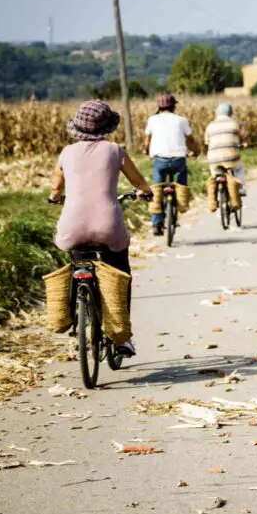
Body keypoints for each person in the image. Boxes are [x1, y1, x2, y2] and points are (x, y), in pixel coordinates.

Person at [49, 100, 155, 358]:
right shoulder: (115, 150)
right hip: (108, 227)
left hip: (71, 229)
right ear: (106, 127)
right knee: (121, 272)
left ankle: (77, 312)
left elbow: (56, 187)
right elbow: (138, 181)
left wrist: (55, 197)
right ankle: (121, 337)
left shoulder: (66, 153)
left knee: (76, 257)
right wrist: (146, 192)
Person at [144, 93, 199, 235]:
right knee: (181, 183)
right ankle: (180, 204)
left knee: (156, 190)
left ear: (159, 107)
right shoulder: (181, 120)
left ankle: (156, 223)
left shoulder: (152, 119)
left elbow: (147, 141)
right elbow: (191, 140)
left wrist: (146, 151)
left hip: (159, 160)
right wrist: (195, 151)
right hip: (178, 159)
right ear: (174, 106)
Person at [204, 102, 249, 194]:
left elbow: (206, 142)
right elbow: (245, 136)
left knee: (214, 171)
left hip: (214, 159)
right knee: (240, 167)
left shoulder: (210, 125)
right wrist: (245, 143)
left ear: (217, 113)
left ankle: (215, 191)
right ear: (230, 113)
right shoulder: (236, 123)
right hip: (231, 158)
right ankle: (240, 188)